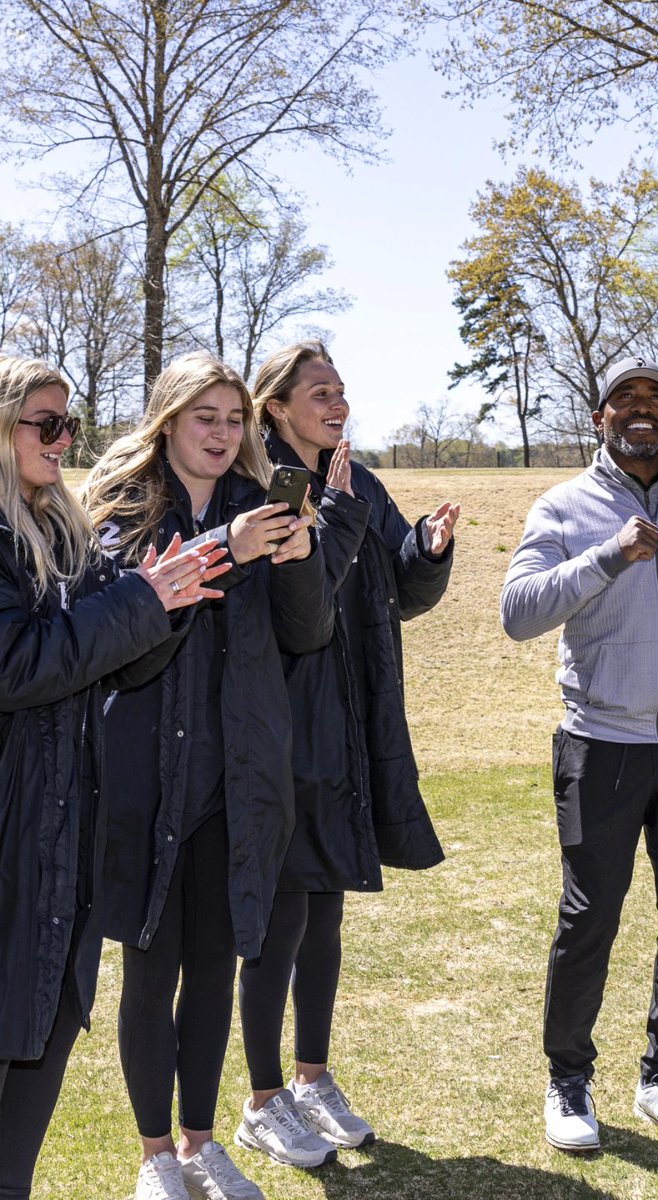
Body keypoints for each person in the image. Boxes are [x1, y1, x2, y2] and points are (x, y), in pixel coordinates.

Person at [82, 352, 334, 1200]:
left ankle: (199, 1144)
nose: (224, 435)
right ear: (168, 421)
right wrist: (223, 548)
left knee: (214, 971)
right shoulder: (124, 510)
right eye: (206, 418)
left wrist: (300, 556)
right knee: (152, 976)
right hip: (149, 784)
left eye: (234, 420)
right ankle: (155, 1156)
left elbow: (308, 635)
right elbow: (127, 651)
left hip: (240, 781)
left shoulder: (265, 506)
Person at [501, 355, 658, 1152]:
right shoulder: (564, 506)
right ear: (599, 416)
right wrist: (607, 556)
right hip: (601, 745)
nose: (640, 409)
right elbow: (519, 612)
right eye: (624, 398)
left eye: (654, 397)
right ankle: (568, 1081)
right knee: (590, 920)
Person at [0, 355, 229, 1200]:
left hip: (58, 848)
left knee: (44, 1053)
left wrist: (165, 603)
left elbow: (115, 667)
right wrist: (143, 601)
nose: (65, 441)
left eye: (71, 425)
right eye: (45, 424)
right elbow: (19, 664)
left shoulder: (59, 529)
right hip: (14, 843)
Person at [234, 341, 458, 1167]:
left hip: (351, 718)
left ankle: (311, 1077)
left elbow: (399, 589)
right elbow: (296, 605)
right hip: (285, 721)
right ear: (278, 407)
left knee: (325, 907)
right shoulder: (265, 490)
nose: (337, 405)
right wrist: (335, 518)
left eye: (341, 392)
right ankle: (261, 1099)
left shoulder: (357, 481)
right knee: (282, 913)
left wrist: (427, 550)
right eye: (319, 393)